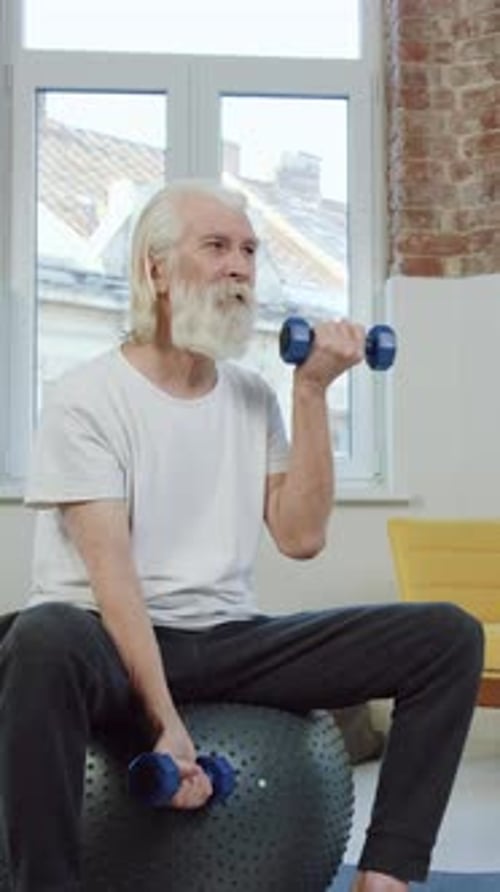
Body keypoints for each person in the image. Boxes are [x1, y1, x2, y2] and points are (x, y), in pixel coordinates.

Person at [0, 179, 483, 892]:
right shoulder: (86, 398)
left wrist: (313, 391)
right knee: (39, 636)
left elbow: (300, 536)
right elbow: (115, 578)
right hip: (101, 636)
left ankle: (386, 877)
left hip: (223, 637)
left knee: (447, 636)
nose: (240, 266)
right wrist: (164, 725)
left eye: (250, 251)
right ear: (156, 270)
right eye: (218, 247)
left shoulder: (251, 397)